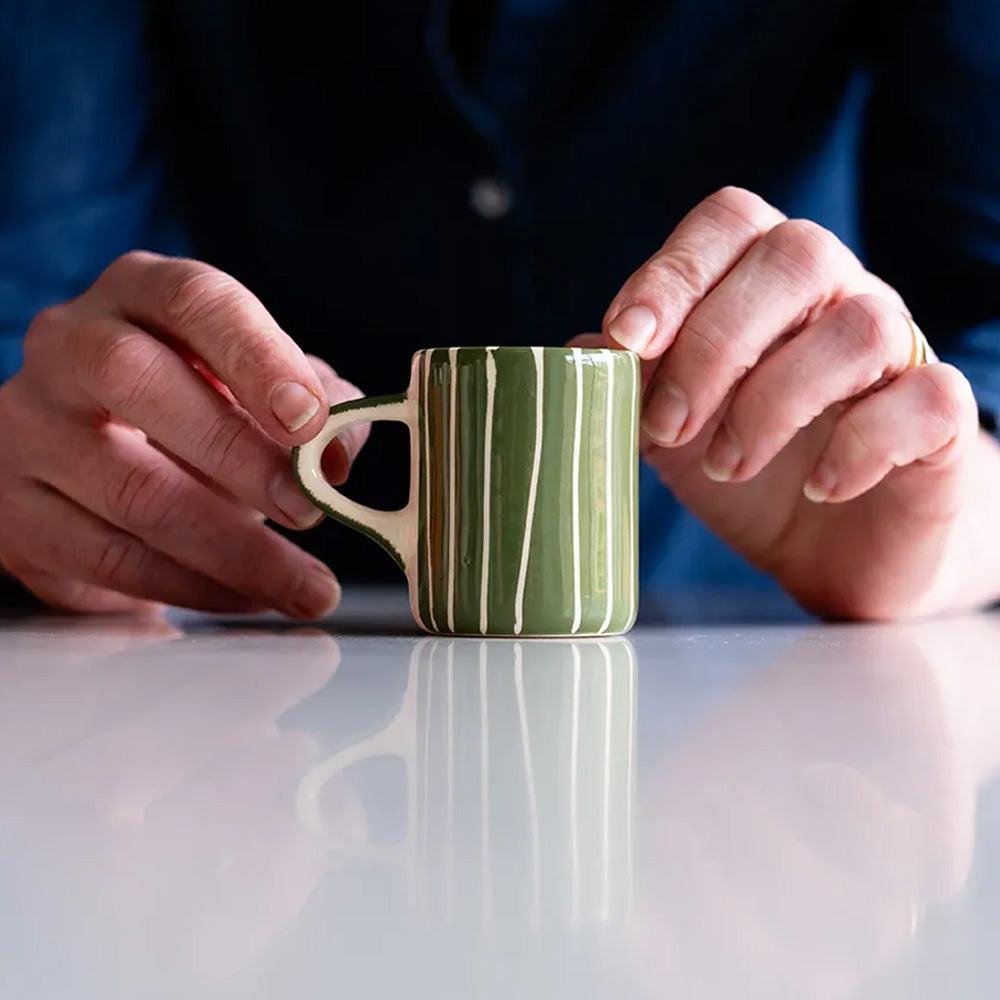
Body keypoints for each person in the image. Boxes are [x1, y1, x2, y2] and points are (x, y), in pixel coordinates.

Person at [0, 0, 998, 621]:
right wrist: (54, 470)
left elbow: (983, 332)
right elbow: (38, 301)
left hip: (753, 683)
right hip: (249, 697)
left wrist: (943, 520)